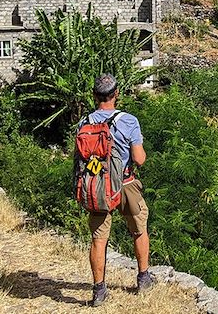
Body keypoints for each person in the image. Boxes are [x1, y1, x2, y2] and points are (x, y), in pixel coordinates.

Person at [84, 74, 153, 307]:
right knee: (139, 229)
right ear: (116, 95)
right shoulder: (129, 120)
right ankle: (143, 278)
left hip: (98, 187)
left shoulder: (84, 123)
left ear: (95, 96)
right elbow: (139, 159)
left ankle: (99, 291)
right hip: (125, 185)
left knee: (98, 239)